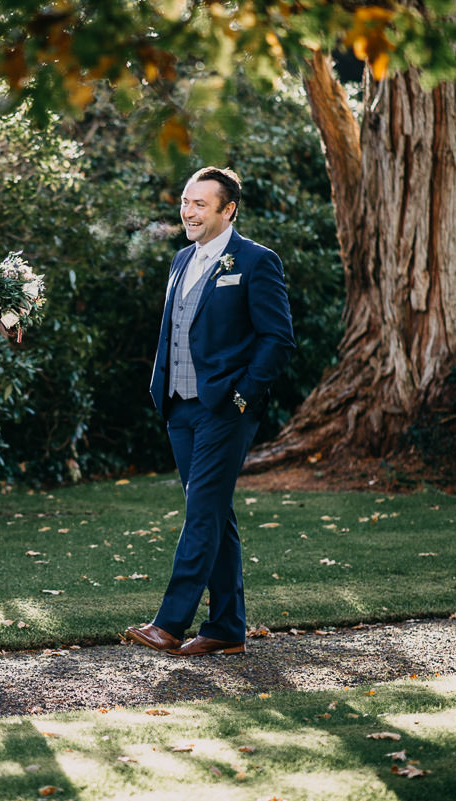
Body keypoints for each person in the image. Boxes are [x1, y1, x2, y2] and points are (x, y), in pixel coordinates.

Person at [125, 166, 294, 657]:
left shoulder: (256, 261)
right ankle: (225, 628)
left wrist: (243, 396)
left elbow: (278, 339)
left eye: (200, 203)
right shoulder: (181, 259)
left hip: (226, 408)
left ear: (228, 209)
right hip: (179, 408)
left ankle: (169, 624)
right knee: (214, 511)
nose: (188, 211)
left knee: (202, 510)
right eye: (185, 202)